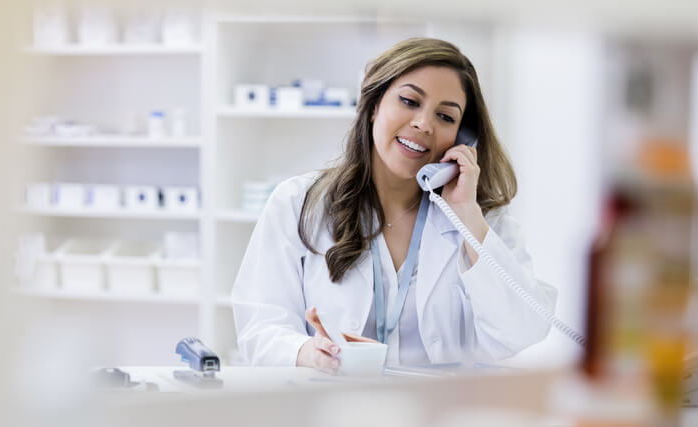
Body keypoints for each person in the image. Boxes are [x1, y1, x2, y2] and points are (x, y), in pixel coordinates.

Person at [231, 37, 556, 374]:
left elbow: (519, 333)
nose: (423, 124)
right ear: (373, 106)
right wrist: (308, 352)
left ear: (463, 137)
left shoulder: (482, 221)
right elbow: (259, 329)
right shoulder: (299, 203)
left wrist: (468, 217)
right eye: (408, 101)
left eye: (445, 116)